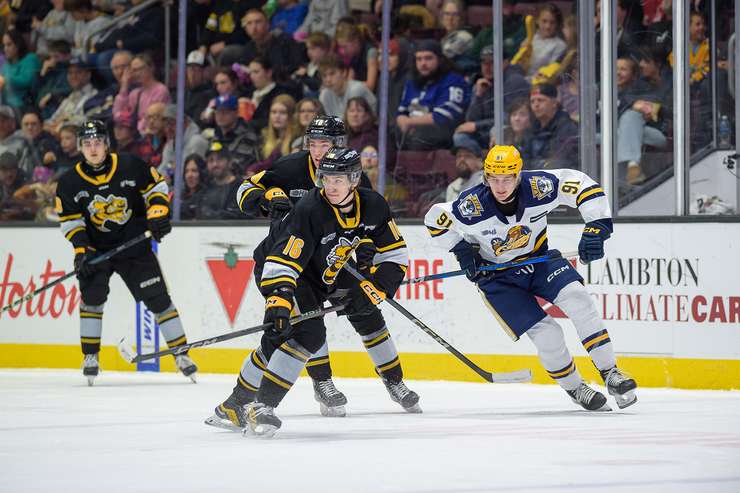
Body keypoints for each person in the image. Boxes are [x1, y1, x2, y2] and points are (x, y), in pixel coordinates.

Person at [209, 146, 413, 437]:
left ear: (354, 180)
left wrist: (378, 285)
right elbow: (285, 260)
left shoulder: (374, 205)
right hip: (287, 271)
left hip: (328, 271)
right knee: (306, 334)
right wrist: (278, 301)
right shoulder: (310, 208)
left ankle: (234, 404)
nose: (330, 186)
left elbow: (393, 253)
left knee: (361, 311)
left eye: (338, 180)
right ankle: (262, 406)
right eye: (326, 178)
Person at [423, 145, 638, 412]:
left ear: (519, 175)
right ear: (486, 177)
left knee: (578, 299)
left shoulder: (539, 187)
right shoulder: (471, 205)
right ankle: (575, 387)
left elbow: (583, 185)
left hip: (539, 261)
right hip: (497, 278)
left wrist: (596, 226)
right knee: (548, 334)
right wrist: (462, 249)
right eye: (494, 179)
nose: (500, 187)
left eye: (508, 178)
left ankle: (611, 373)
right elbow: (434, 220)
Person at [54, 120, 198, 385]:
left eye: (98, 142)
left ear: (107, 144)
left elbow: (156, 187)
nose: (93, 148)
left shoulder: (131, 165)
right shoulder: (70, 182)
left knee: (158, 299)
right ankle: (90, 356)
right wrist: (81, 250)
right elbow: (71, 221)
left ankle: (181, 354)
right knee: (92, 298)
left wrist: (157, 214)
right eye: (87, 144)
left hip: (134, 246)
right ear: (80, 148)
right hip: (97, 250)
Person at [396, 39, 470, 151]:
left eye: (428, 58)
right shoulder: (412, 81)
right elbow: (402, 111)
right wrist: (403, 123)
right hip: (411, 129)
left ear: (440, 59)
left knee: (421, 135)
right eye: (419, 59)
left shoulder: (453, 80)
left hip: (441, 132)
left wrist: (410, 122)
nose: (423, 63)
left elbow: (444, 116)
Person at [319, 54, 377, 118]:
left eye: (332, 74)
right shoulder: (325, 95)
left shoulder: (356, 90)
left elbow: (352, 121)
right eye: (324, 76)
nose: (328, 80)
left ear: (344, 72)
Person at [1, 29, 41, 110]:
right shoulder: (5, 66)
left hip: (25, 105)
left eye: (9, 44)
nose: (5, 49)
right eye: (4, 45)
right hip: (6, 108)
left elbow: (27, 80)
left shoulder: (30, 59)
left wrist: (6, 79)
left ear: (18, 45)